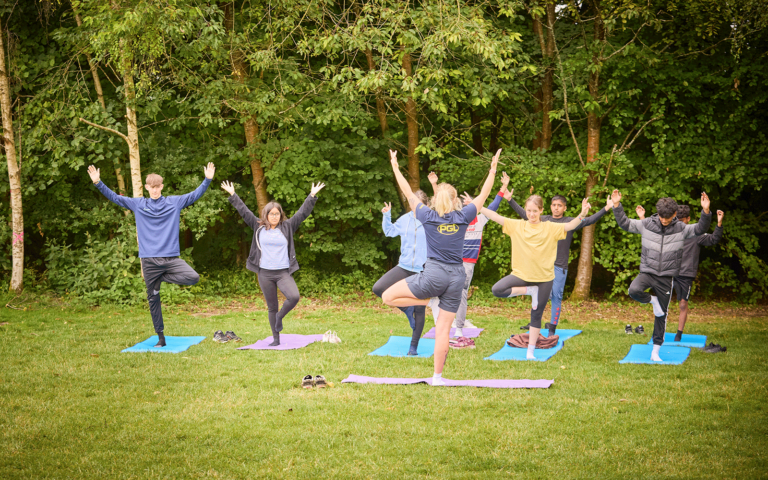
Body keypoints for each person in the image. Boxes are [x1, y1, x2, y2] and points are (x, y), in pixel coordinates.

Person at [382, 149, 500, 386]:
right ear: (455, 199)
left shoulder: (427, 215)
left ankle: (427, 302)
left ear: (435, 200)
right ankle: (437, 377)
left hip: (433, 275)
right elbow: (484, 195)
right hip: (457, 278)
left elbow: (407, 192)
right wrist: (492, 170)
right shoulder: (464, 215)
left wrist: (395, 166)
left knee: (387, 296)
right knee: (443, 331)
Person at [87, 163, 215, 347]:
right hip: (149, 261)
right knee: (153, 298)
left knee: (193, 277)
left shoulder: (174, 202)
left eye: (157, 187)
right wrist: (98, 182)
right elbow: (115, 198)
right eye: (151, 187)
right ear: (147, 187)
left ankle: (163, 277)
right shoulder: (139, 204)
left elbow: (194, 195)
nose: (155, 190)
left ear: (162, 186)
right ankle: (160, 339)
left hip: (170, 259)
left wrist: (207, 180)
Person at [482, 195, 594, 359]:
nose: (531, 214)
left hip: (544, 279)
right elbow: (495, 216)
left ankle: (530, 352)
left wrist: (582, 214)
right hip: (522, 275)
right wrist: (476, 206)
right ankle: (529, 290)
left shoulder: (550, 227)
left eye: (535, 211)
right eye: (528, 210)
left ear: (541, 210)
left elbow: (570, 225)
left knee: (536, 315)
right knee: (497, 289)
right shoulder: (517, 225)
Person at [221, 180, 325, 346]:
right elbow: (244, 211)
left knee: (293, 296)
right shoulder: (258, 227)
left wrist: (312, 196)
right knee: (272, 306)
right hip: (264, 273)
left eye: (277, 214)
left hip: (283, 272)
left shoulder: (288, 226)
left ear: (280, 215)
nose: (275, 216)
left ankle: (279, 316)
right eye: (271, 214)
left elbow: (302, 213)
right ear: (266, 215)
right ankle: (276, 339)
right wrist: (233, 195)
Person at [612, 190, 711, 361]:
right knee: (633, 290)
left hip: (666, 277)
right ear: (657, 213)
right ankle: (652, 300)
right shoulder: (647, 224)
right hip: (648, 272)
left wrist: (706, 211)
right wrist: (616, 206)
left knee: (661, 315)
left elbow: (700, 228)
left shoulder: (681, 229)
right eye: (661, 217)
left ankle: (655, 351)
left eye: (667, 218)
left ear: (674, 214)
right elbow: (625, 224)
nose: (664, 221)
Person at [504, 187, 613, 335]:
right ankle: (533, 322)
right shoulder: (544, 220)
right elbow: (526, 214)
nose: (556, 208)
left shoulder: (569, 222)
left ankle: (552, 327)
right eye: (554, 205)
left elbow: (589, 220)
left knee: (556, 296)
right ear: (549, 207)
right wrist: (510, 200)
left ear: (564, 208)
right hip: (541, 266)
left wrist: (606, 208)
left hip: (559, 266)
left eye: (559, 205)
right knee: (537, 294)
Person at [427, 171, 507, 341]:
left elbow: (492, 205)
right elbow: (442, 204)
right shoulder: (460, 219)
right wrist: (435, 186)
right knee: (454, 294)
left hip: (463, 263)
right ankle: (454, 327)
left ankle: (457, 327)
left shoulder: (474, 219)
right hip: (454, 262)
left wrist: (503, 188)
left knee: (457, 294)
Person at [636, 204, 724, 341]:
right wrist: (642, 217)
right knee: (661, 303)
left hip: (686, 274)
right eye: (678, 220)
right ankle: (659, 333)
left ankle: (679, 333)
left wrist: (719, 223)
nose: (679, 223)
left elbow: (713, 239)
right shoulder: (670, 230)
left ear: (688, 219)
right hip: (669, 272)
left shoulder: (696, 233)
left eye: (682, 220)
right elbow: (652, 232)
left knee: (683, 303)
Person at [372, 191, 430, 356]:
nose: (413, 206)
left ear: (424, 204)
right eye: (411, 202)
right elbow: (389, 231)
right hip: (404, 266)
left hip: (422, 269)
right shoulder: (405, 219)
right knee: (378, 288)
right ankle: (406, 308)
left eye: (417, 203)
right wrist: (386, 216)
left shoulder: (430, 219)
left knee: (420, 307)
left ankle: (413, 347)